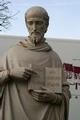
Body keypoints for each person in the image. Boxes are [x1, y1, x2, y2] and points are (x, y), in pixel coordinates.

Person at [0, 6, 71, 120]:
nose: (34, 27)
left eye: (39, 23)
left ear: (46, 26)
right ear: (26, 25)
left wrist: (54, 98)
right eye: (30, 23)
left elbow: (65, 91)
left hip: (47, 115)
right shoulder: (11, 53)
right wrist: (10, 73)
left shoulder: (53, 57)